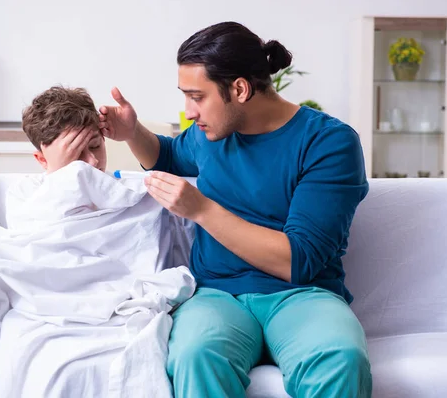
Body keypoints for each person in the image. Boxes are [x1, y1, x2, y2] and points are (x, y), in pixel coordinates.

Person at [99, 21, 372, 398]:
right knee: (194, 354)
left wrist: (201, 210)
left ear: (240, 89)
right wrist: (132, 133)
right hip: (216, 295)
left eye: (197, 96)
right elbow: (167, 154)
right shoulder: (210, 134)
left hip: (302, 294)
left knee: (340, 358)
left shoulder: (328, 143)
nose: (189, 111)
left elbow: (299, 260)